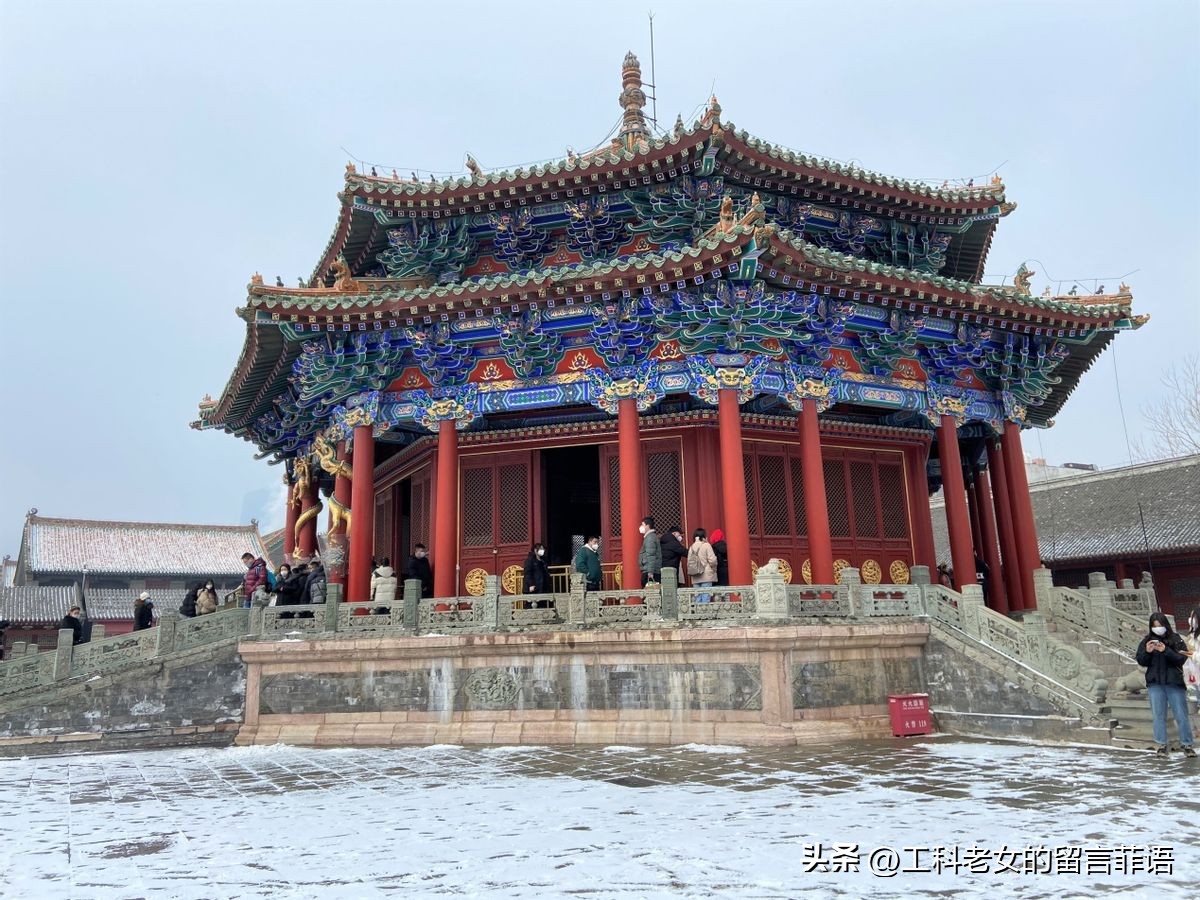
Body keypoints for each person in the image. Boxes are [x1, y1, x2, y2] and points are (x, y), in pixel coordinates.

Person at [1134, 612, 1196, 758]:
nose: (1158, 628)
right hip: (1155, 683)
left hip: (1174, 682)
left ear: (1165, 625)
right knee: (1158, 715)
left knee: (1181, 714)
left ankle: (1187, 744)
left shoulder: (1175, 639)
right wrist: (1148, 652)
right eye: (1154, 626)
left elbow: (1181, 658)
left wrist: (1166, 650)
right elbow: (1141, 660)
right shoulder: (1146, 641)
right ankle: (1162, 744)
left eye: (1160, 625)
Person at [686, 529, 719, 602]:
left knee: (697, 598)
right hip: (706, 575)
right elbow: (712, 560)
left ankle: (698, 613)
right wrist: (713, 569)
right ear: (704, 536)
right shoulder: (706, 545)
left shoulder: (691, 547)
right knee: (705, 598)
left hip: (695, 575)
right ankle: (705, 613)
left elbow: (689, 561)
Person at [522, 542, 551, 607]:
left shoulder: (543, 560)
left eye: (543, 549)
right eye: (541, 549)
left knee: (542, 604)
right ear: (535, 550)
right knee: (531, 605)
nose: (543, 551)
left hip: (542, 586)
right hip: (533, 586)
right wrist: (531, 584)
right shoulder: (530, 560)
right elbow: (527, 573)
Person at [638, 516, 662, 587]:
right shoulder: (650, 537)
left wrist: (650, 571)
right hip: (651, 570)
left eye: (642, 525)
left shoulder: (650, 538)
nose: (641, 527)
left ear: (647, 526)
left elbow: (651, 555)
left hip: (651, 571)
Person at [1184, 608, 1200, 714]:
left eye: (1193, 617)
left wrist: (1193, 654)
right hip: (1194, 674)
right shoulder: (1192, 636)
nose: (1191, 619)